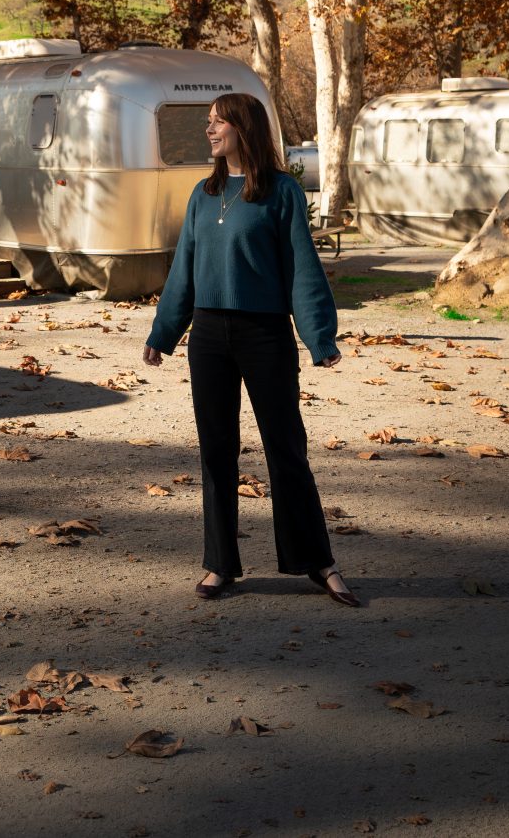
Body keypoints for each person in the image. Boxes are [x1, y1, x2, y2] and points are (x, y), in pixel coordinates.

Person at [142, 92, 359, 606]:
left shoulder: (281, 192)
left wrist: (319, 337)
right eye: (209, 123)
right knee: (216, 453)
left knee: (286, 450)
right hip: (210, 337)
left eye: (218, 122)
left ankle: (318, 561)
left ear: (244, 128)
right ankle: (220, 564)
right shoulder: (203, 194)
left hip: (265, 336)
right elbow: (184, 271)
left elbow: (302, 271)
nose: (210, 130)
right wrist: (163, 333)